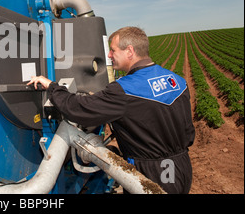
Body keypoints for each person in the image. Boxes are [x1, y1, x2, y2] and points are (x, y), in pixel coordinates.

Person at [28, 26, 195, 194]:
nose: (109, 55)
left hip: (153, 174)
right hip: (181, 166)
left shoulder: (124, 89)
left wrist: (52, 87)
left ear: (129, 51)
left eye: (113, 50)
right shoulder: (177, 80)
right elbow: (186, 129)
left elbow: (77, 109)